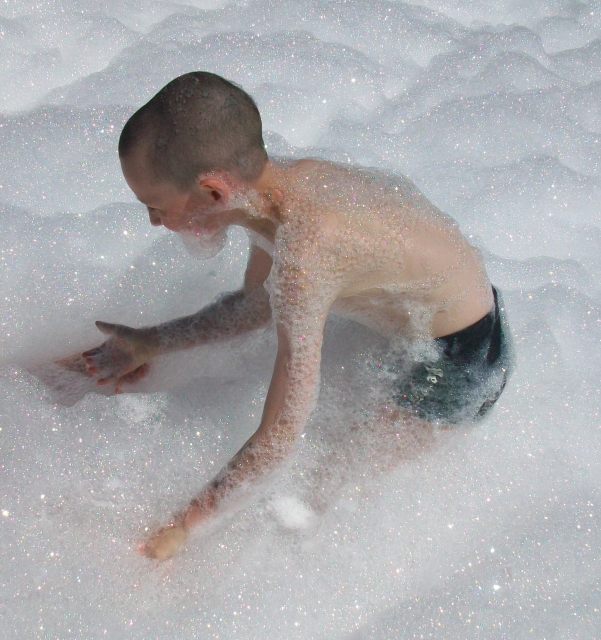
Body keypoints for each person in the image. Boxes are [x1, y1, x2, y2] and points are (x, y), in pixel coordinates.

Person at [79, 71, 511, 560]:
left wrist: (184, 526)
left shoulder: (308, 250)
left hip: (460, 366)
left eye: (155, 206)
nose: (154, 221)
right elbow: (257, 306)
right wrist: (151, 341)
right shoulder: (274, 192)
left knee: (323, 492)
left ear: (214, 192)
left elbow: (282, 433)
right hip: (438, 318)